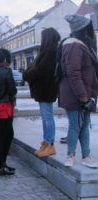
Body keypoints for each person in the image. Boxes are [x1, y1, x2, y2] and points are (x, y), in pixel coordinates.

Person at [60, 15, 98, 168]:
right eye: (89, 29)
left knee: (84, 124)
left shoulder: (80, 45)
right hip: (76, 94)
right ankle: (71, 156)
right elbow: (73, 72)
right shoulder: (74, 46)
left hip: (84, 94)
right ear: (82, 30)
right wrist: (82, 95)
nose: (92, 32)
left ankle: (86, 155)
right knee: (76, 125)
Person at [23, 28, 60, 157]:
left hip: (46, 89)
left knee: (47, 117)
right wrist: (28, 72)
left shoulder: (51, 52)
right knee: (45, 117)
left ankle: (50, 144)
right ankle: (46, 142)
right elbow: (35, 67)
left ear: (48, 38)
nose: (42, 39)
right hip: (45, 90)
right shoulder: (47, 51)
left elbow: (40, 70)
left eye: (43, 37)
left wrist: (27, 74)